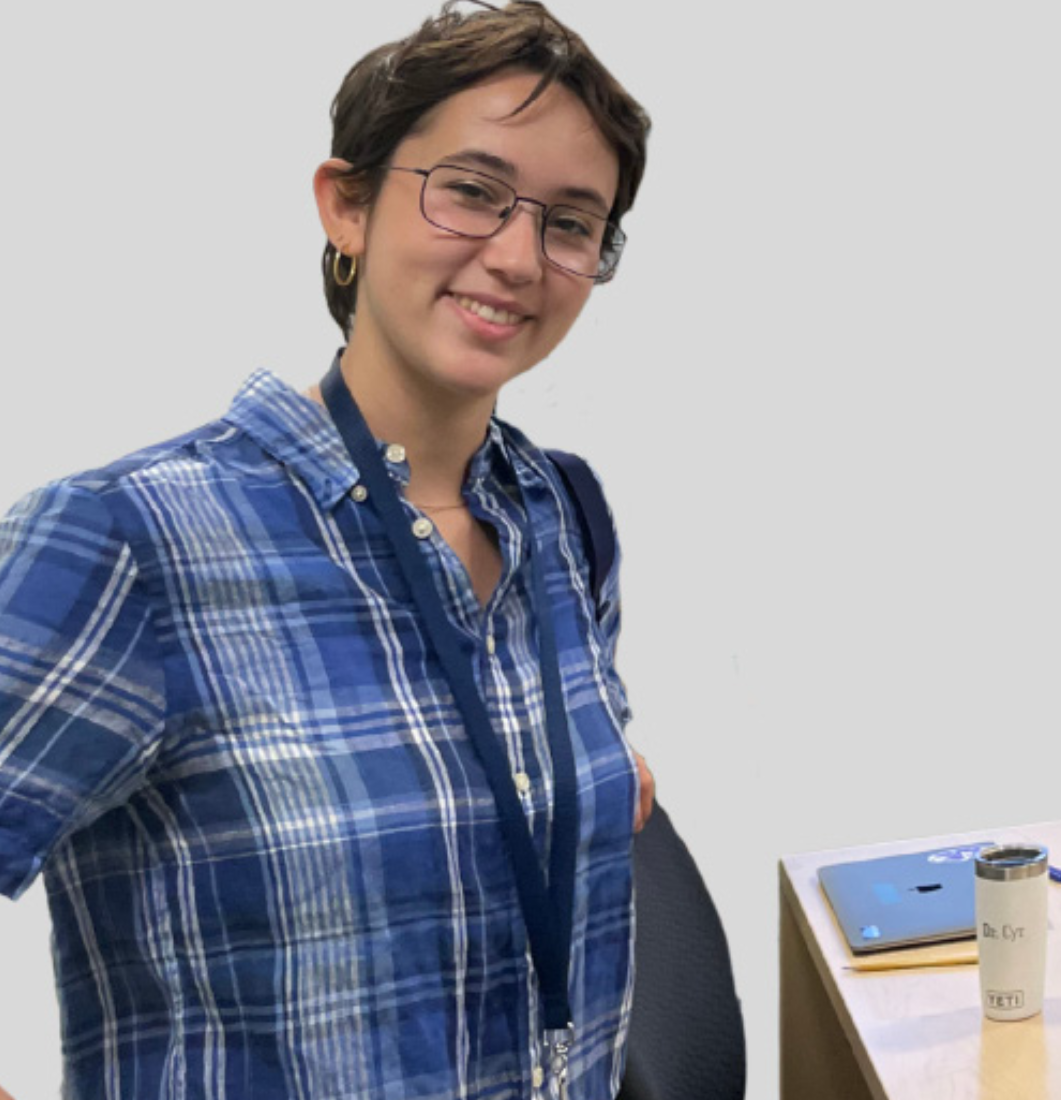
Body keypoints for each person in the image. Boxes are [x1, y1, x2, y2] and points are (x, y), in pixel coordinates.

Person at [0, 2, 653, 1096]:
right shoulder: (129, 540)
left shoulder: (559, 512)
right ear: (345, 204)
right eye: (472, 191)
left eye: (571, 222)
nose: (516, 255)